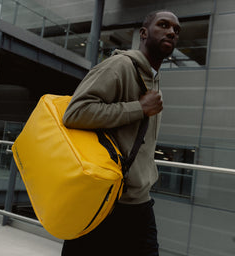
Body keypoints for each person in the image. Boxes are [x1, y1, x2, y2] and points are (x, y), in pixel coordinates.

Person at [61, 10, 181, 256]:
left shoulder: (153, 78)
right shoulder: (120, 65)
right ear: (144, 34)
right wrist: (139, 108)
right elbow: (75, 113)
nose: (172, 31)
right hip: (105, 202)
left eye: (176, 30)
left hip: (139, 203)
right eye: (164, 25)